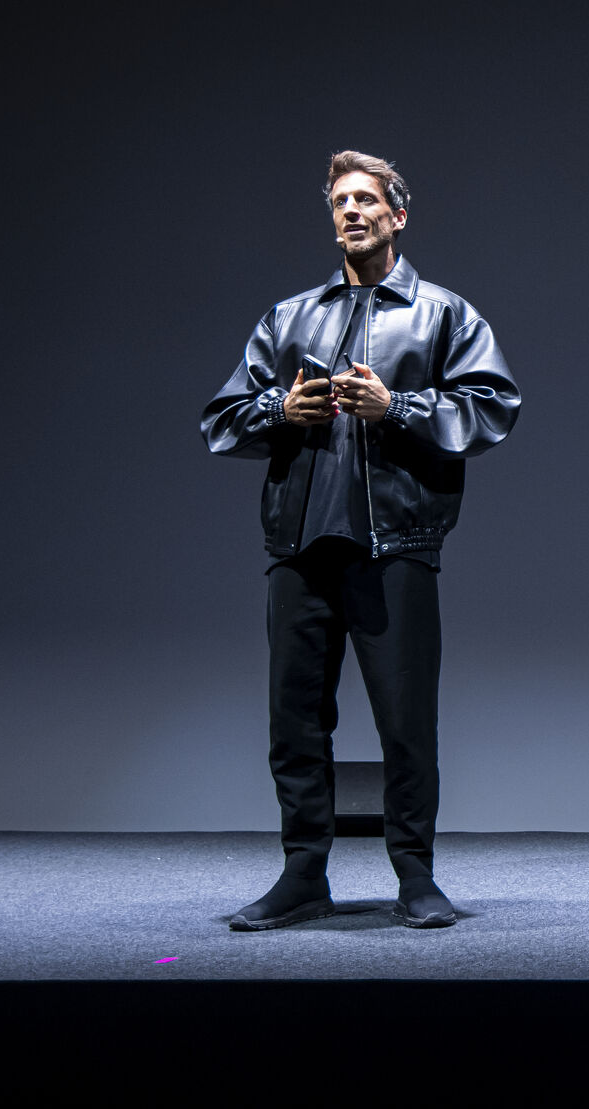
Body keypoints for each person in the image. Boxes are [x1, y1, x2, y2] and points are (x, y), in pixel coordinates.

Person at [201, 150, 520, 930]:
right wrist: (282, 409)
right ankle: (302, 874)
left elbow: (493, 405)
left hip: (396, 544)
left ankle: (416, 875)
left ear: (397, 216)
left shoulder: (442, 314)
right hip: (300, 548)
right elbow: (222, 419)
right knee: (294, 721)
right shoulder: (289, 317)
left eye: (366, 200)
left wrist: (398, 407)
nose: (350, 211)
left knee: (406, 722)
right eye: (340, 201)